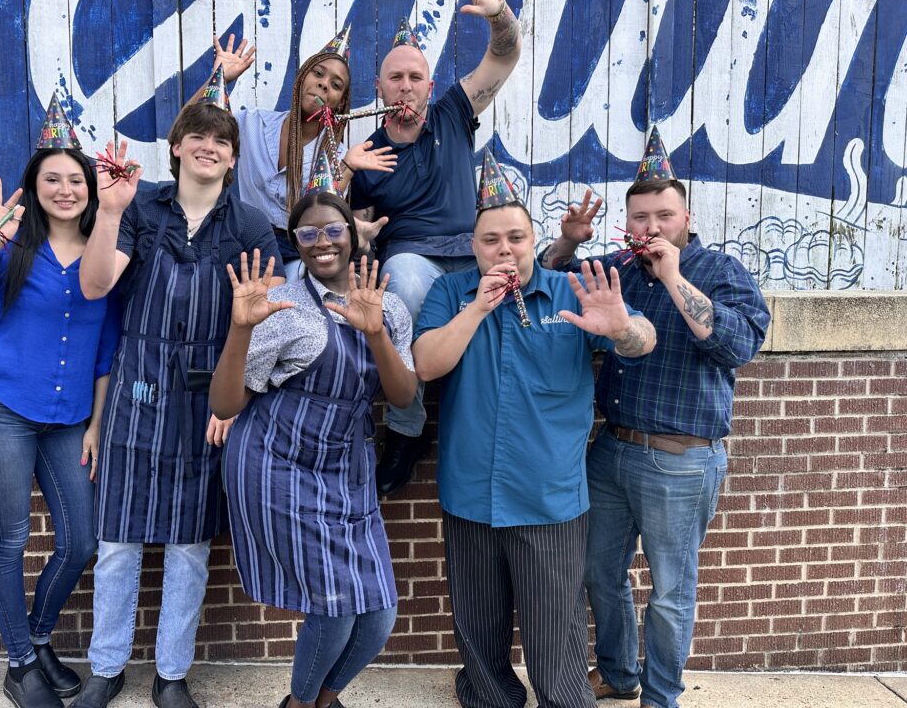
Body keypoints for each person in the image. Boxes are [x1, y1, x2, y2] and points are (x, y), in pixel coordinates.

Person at [412, 150, 656, 708]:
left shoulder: (572, 291)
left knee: (557, 644)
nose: (505, 249)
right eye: (492, 239)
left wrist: (622, 329)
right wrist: (477, 308)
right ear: (474, 247)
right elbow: (426, 364)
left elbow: (643, 340)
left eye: (516, 237)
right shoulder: (451, 294)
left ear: (532, 239)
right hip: (470, 495)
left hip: (548, 502)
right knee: (478, 634)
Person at [71, 78, 284, 708]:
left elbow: (268, 316)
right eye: (199, 136)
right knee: (117, 540)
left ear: (235, 155)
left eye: (222, 140)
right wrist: (108, 212)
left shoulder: (252, 224)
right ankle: (106, 668)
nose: (210, 147)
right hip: (136, 386)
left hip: (205, 396)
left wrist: (234, 397)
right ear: (176, 146)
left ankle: (170, 675)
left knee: (190, 547)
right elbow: (94, 285)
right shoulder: (141, 210)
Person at [540, 127, 771, 708]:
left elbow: (739, 346)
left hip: (682, 459)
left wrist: (672, 277)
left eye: (663, 215)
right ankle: (619, 674)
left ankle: (661, 696)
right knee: (597, 572)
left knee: (670, 591)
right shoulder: (617, 266)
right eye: (640, 217)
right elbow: (547, 278)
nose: (651, 228)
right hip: (612, 449)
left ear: (686, 216)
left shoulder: (720, 271)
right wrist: (567, 244)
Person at [0, 95, 118, 708]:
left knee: (80, 540)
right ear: (35, 187)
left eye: (75, 179)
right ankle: (18, 664)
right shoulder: (10, 245)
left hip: (68, 422)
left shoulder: (105, 253)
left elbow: (109, 346)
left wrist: (96, 423)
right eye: (51, 179)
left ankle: (35, 639)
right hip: (2, 409)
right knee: (7, 540)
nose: (65, 189)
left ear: (91, 187)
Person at [209, 154, 417, 708]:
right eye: (307, 233)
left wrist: (376, 334)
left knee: (378, 616)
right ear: (295, 241)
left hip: (347, 470)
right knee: (334, 607)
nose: (321, 241)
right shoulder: (281, 306)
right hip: (278, 462)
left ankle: (316, 703)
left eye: (333, 229)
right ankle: (302, 706)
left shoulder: (387, 305)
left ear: (353, 235)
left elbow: (403, 397)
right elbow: (226, 401)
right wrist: (238, 329)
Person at [350, 0, 522, 495]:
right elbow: (346, 229)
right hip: (413, 260)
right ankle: (408, 426)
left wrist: (498, 14)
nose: (406, 86)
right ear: (380, 90)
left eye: (415, 77)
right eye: (395, 78)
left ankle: (507, 423)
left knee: (531, 276)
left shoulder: (452, 111)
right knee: (399, 282)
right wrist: (358, 224)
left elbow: (504, 58)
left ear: (429, 85)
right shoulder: (366, 151)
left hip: (471, 252)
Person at [196, 30, 396, 280]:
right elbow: (190, 129)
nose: (324, 84)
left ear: (339, 102)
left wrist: (347, 168)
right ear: (302, 77)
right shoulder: (253, 124)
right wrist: (219, 77)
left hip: (298, 253)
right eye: (318, 73)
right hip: (244, 242)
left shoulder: (337, 154)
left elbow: (317, 215)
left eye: (336, 85)